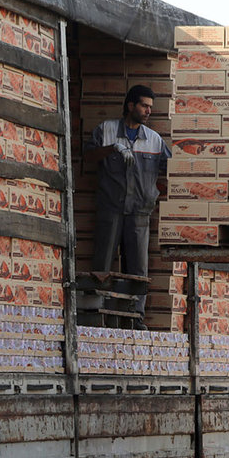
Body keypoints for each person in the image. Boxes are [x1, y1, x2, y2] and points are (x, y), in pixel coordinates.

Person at [84, 85, 171, 313]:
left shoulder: (154, 140)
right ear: (130, 105)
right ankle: (95, 310)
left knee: (137, 269)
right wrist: (113, 149)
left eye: (150, 107)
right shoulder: (107, 130)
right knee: (102, 264)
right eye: (144, 105)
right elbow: (89, 155)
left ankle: (135, 315)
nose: (148, 111)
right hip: (110, 209)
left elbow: (170, 170)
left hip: (140, 213)